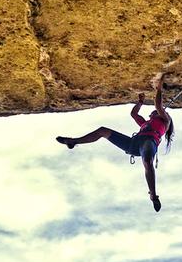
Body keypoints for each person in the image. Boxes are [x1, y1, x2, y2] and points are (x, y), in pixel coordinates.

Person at [56, 78, 174, 212]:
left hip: (149, 142)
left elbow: (158, 106)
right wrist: (140, 103)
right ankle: (73, 141)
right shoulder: (145, 123)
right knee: (102, 131)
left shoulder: (166, 120)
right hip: (134, 144)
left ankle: (153, 195)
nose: (151, 113)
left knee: (147, 162)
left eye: (153, 112)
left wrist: (159, 89)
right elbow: (134, 114)